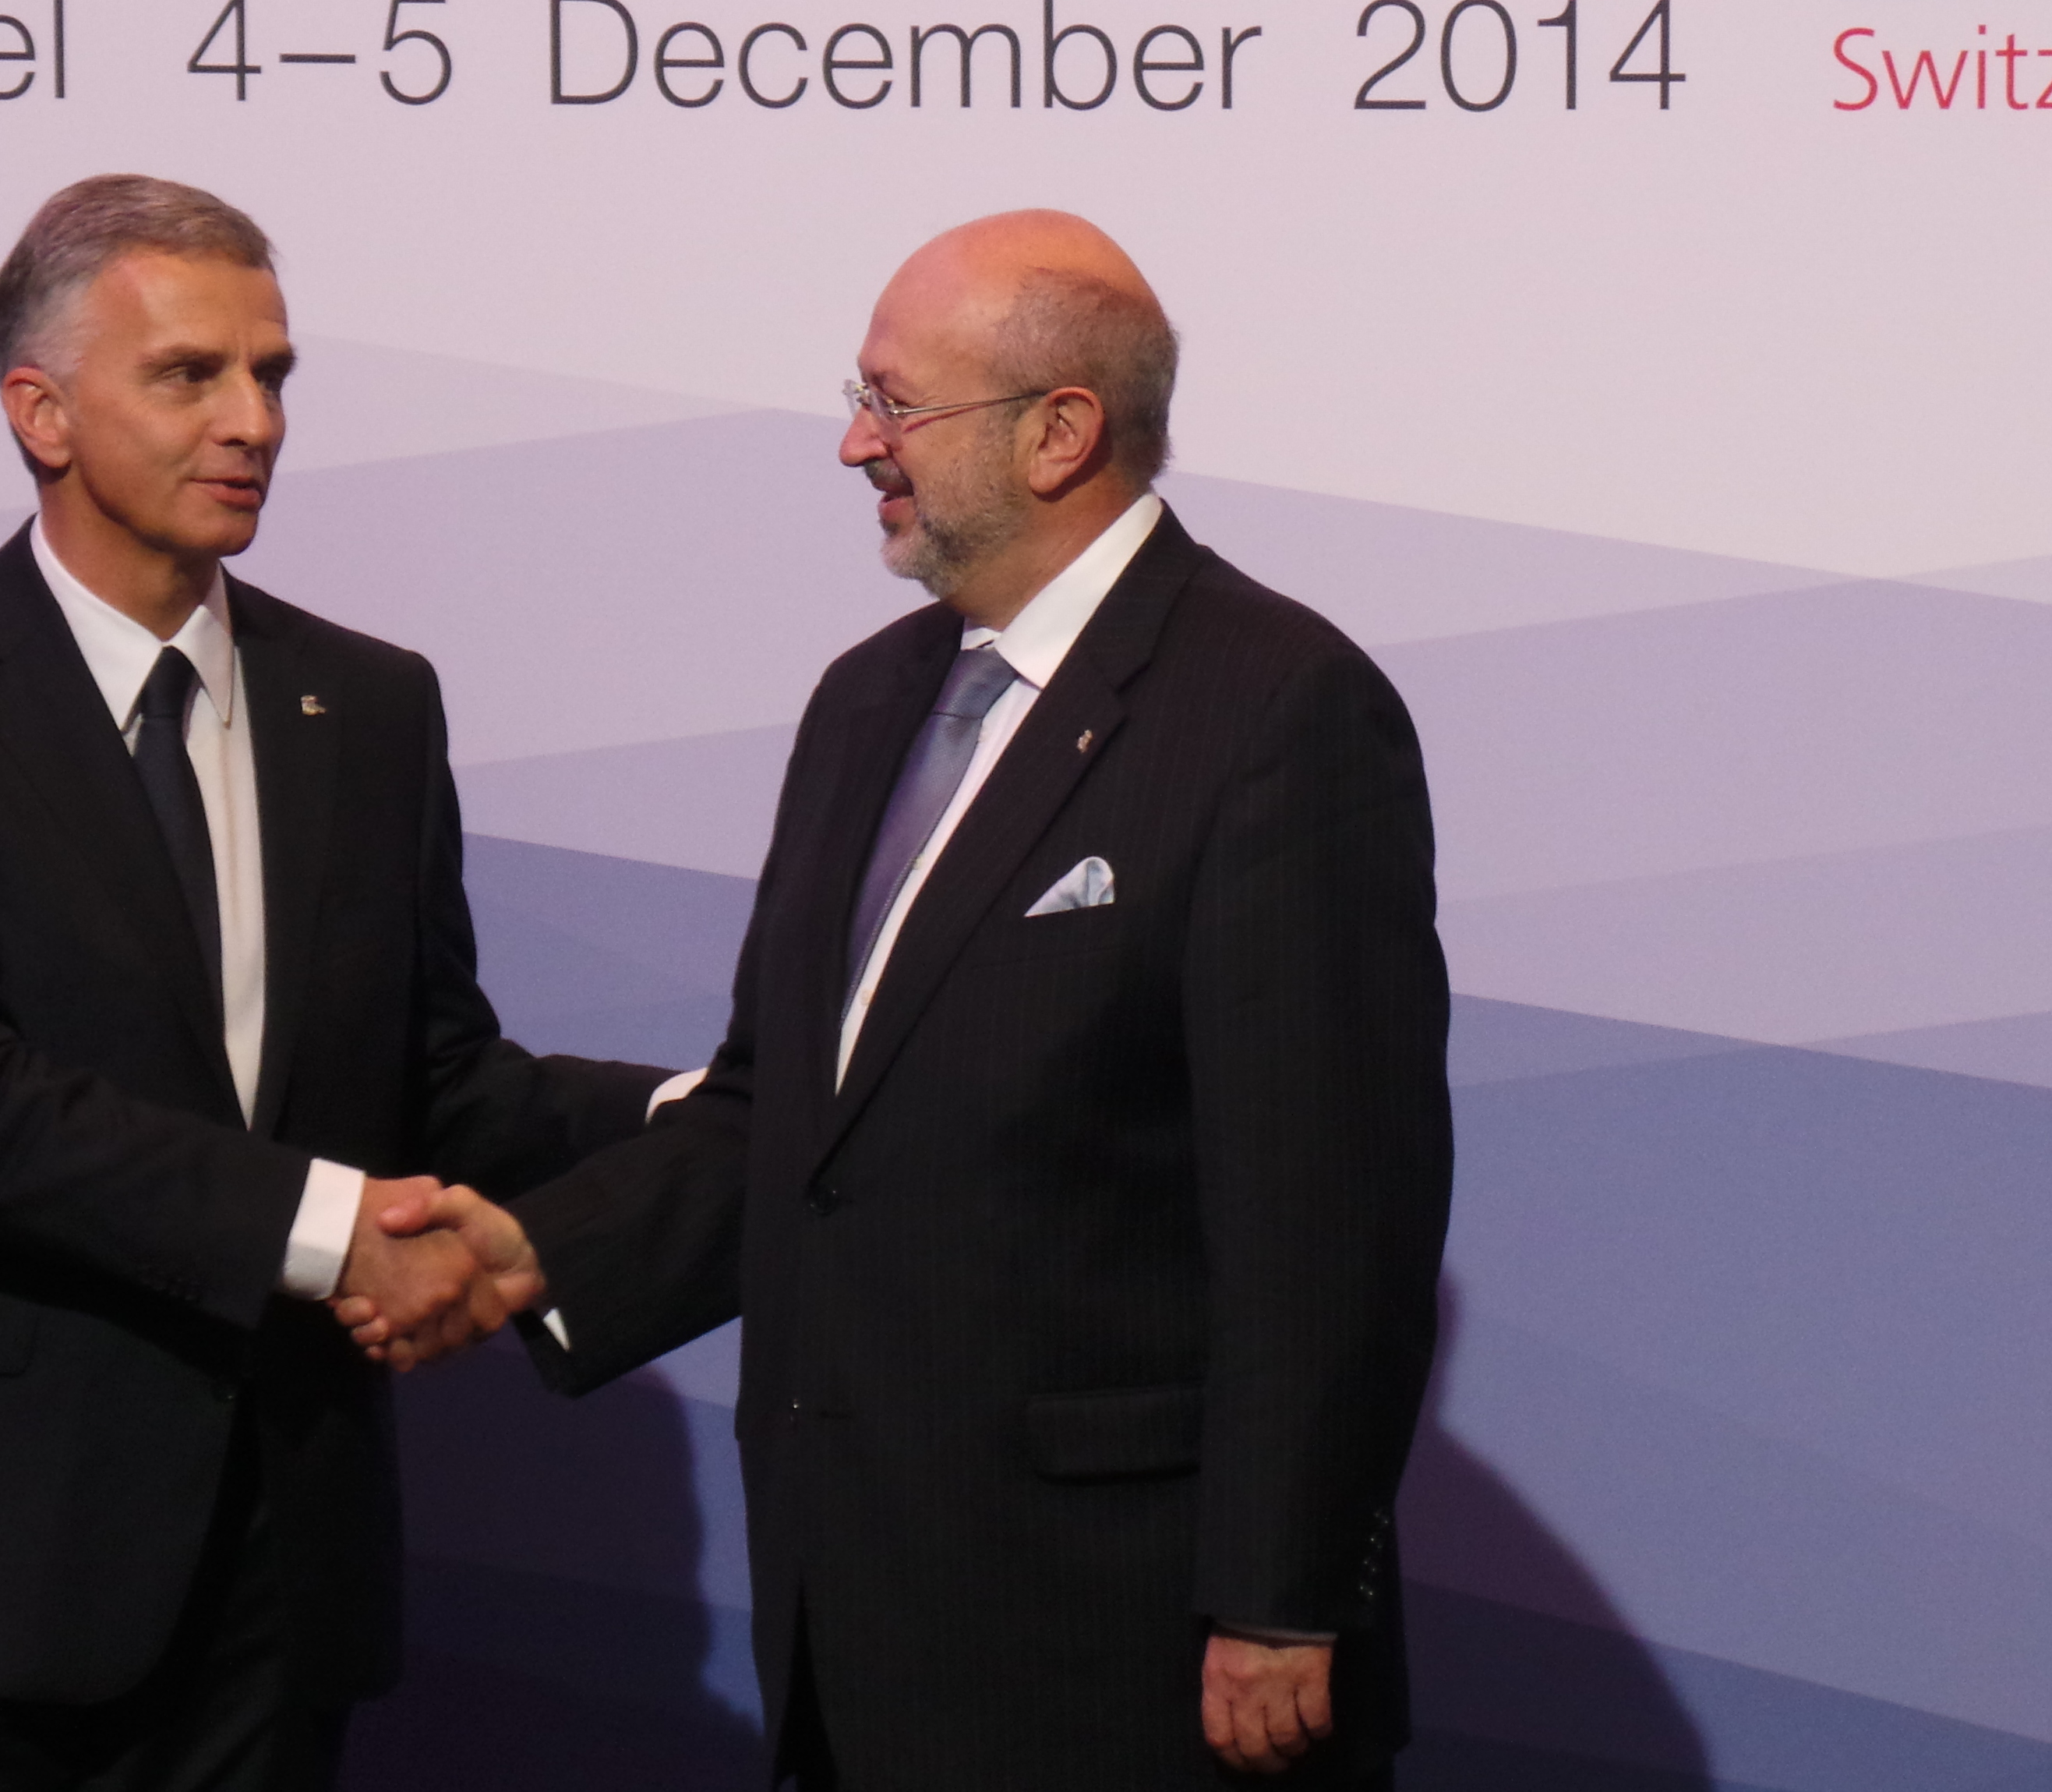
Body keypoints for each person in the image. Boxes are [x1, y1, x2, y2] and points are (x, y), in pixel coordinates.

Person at [348, 210, 1455, 1786]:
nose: (857, 443)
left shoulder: (1278, 711)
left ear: (1060, 430)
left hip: (1130, 1635)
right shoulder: (868, 701)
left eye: (896, 404)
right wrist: (524, 1254)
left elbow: (1332, 1201)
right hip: (862, 1610)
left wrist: (1281, 1597)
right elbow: (789, 1117)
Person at [0, 174, 677, 1790]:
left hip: (269, 1579)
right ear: (42, 411)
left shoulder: (368, 705)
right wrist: (336, 1233)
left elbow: (440, 1080)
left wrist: (704, 1106)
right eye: (189, 376)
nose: (254, 423)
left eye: (274, 375)